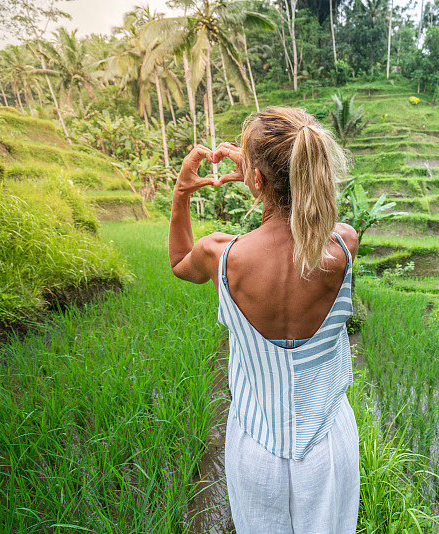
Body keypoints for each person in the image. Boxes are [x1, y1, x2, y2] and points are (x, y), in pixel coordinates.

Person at [167, 106, 360, 533]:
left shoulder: (222, 255)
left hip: (255, 447)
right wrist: (261, 173)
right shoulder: (343, 246)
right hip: (328, 446)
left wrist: (182, 192)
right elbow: (307, 221)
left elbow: (179, 260)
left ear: (257, 179)